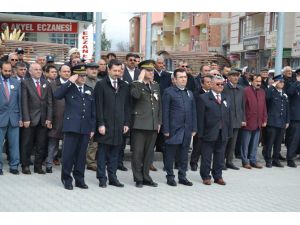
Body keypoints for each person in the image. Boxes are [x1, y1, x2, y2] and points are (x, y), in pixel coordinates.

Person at [53, 65, 95, 190]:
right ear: (75, 75)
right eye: (80, 75)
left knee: (81, 156)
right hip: (71, 127)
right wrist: (69, 81)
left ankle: (79, 179)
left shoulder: (89, 89)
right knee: (68, 155)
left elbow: (93, 111)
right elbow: (57, 95)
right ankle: (66, 179)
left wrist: (92, 128)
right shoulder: (69, 88)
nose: (83, 78)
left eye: (84, 75)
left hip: (85, 128)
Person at [94, 59, 130, 188]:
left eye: (119, 71)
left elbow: (127, 106)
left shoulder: (124, 85)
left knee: (115, 153)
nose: (117, 73)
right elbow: (98, 106)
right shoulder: (101, 85)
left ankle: (113, 178)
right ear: (108, 70)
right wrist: (100, 124)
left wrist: (126, 122)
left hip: (119, 125)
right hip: (105, 125)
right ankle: (102, 178)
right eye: (114, 70)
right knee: (103, 154)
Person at [162, 68, 197, 186]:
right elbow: (165, 112)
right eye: (181, 77)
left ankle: (182, 176)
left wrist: (194, 128)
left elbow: (193, 112)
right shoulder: (168, 92)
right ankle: (170, 176)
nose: (183, 79)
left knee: (184, 155)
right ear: (174, 79)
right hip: (173, 129)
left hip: (187, 129)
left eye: (185, 77)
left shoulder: (189, 93)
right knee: (170, 155)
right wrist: (165, 129)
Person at [130, 60, 162, 188]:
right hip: (139, 124)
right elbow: (136, 96)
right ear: (142, 71)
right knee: (137, 153)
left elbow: (159, 105)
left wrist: (159, 121)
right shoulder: (135, 84)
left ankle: (146, 177)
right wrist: (140, 80)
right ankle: (138, 178)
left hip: (153, 124)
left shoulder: (155, 85)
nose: (152, 72)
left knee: (149, 154)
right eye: (148, 70)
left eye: (152, 70)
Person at [197, 75, 232, 185]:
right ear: (211, 85)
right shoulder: (204, 98)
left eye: (222, 84)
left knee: (220, 156)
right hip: (209, 132)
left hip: (223, 132)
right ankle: (206, 176)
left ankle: (218, 176)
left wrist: (229, 131)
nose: (220, 86)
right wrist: (200, 134)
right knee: (207, 156)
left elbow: (229, 116)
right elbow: (200, 117)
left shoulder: (226, 97)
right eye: (218, 84)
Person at [21, 63, 53, 174]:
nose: (38, 71)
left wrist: (49, 118)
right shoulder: (25, 83)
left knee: (41, 144)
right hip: (30, 119)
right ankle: (25, 166)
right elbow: (24, 102)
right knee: (27, 144)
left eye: (40, 69)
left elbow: (49, 102)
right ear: (30, 71)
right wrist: (26, 118)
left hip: (43, 119)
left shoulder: (46, 83)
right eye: (36, 69)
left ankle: (38, 166)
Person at [46, 65, 71, 173]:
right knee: (53, 144)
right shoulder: (53, 84)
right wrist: (49, 118)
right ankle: (49, 164)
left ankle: (67, 166)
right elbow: (49, 103)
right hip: (56, 118)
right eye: (64, 71)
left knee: (68, 144)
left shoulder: (73, 84)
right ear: (59, 73)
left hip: (70, 119)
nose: (67, 73)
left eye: (68, 71)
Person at [240, 74, 267, 169]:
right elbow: (242, 107)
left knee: (255, 144)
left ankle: (253, 160)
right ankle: (245, 161)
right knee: (245, 143)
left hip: (258, 121)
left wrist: (265, 119)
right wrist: (243, 119)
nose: (259, 83)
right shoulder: (245, 91)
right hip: (248, 121)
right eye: (257, 81)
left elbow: (264, 107)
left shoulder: (262, 92)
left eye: (260, 81)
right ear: (251, 81)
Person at [0, 62, 22, 175]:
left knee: (14, 144)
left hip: (14, 118)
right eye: (5, 71)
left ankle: (14, 166)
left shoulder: (16, 82)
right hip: (1, 118)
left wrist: (21, 118)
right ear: (0, 70)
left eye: (9, 71)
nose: (8, 73)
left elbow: (20, 102)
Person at [264, 74, 289, 168]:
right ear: (276, 82)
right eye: (280, 82)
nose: (282, 83)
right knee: (270, 142)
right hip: (272, 122)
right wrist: (272, 86)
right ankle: (268, 160)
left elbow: (287, 108)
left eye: (283, 82)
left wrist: (287, 121)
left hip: (282, 122)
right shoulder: (271, 91)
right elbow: (266, 96)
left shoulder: (284, 93)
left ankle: (275, 159)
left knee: (278, 143)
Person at [222, 70, 245, 170]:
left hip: (237, 120)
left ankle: (229, 161)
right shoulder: (224, 88)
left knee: (233, 143)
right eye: (233, 76)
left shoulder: (241, 89)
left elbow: (242, 106)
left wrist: (243, 119)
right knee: (224, 142)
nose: (236, 78)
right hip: (226, 120)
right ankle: (221, 162)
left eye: (237, 76)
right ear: (228, 77)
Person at [190, 75, 212, 171]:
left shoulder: (213, 93)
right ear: (202, 83)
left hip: (210, 123)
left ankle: (206, 164)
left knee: (207, 147)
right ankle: (193, 162)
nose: (210, 84)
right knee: (197, 145)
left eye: (211, 82)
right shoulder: (196, 94)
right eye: (207, 82)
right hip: (199, 123)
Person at [153, 56, 172, 171]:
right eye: (159, 63)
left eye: (162, 63)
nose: (161, 65)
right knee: (153, 140)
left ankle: (167, 164)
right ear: (155, 64)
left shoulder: (168, 76)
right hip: (154, 108)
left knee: (165, 140)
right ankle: (149, 163)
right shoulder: (152, 75)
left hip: (165, 109)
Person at [84, 62, 99, 172]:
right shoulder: (83, 81)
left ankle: (91, 162)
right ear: (86, 70)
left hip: (96, 115)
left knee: (94, 142)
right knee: (83, 139)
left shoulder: (100, 82)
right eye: (91, 69)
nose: (94, 71)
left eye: (96, 69)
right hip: (85, 115)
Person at [286, 68, 300, 168]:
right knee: (294, 139)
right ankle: (290, 159)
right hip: (296, 117)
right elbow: (289, 93)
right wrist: (297, 82)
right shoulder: (294, 84)